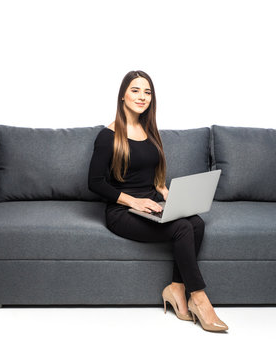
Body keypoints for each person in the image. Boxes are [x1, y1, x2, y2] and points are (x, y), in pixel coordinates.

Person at [87, 70, 228, 332]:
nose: (142, 97)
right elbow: (95, 183)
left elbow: (148, 173)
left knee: (196, 224)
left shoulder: (149, 131)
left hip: (152, 203)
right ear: (123, 96)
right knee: (183, 228)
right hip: (122, 211)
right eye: (135, 90)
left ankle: (176, 288)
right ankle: (198, 298)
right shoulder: (107, 136)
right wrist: (133, 202)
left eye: (147, 92)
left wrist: (163, 191)